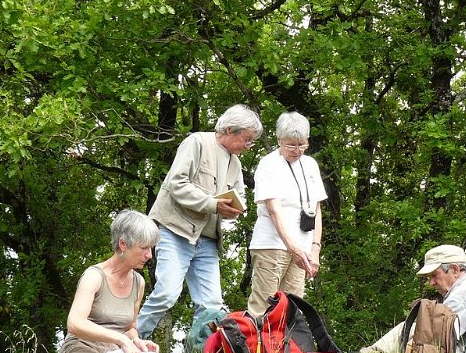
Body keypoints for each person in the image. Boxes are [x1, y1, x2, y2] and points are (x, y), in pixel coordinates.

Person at [137, 104, 263, 338]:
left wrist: (233, 210)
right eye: (246, 140)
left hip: (206, 240)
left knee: (212, 305)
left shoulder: (235, 164)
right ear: (228, 130)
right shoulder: (197, 142)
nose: (248, 146)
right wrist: (213, 204)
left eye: (251, 141)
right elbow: (177, 183)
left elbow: (239, 197)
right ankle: (130, 342)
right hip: (175, 231)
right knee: (166, 293)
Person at [58, 210, 160, 353]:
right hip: (82, 348)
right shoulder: (94, 276)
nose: (149, 255)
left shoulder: (138, 282)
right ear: (123, 244)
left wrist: (137, 342)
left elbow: (129, 328)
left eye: (150, 248)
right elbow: (75, 323)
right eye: (143, 248)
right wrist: (122, 340)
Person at [247, 112, 327, 317]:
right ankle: (257, 348)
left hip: (303, 248)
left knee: (293, 308)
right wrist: (293, 248)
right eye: (291, 145)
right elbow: (274, 210)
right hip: (272, 245)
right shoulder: (268, 164)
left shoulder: (310, 165)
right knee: (265, 306)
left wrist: (315, 249)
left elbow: (316, 209)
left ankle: (287, 350)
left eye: (302, 145)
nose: (297, 151)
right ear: (278, 140)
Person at [362, 244, 466, 353]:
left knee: (412, 331)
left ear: (455, 270)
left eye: (434, 275)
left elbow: (435, 344)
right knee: (408, 327)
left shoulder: (462, 296)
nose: (431, 283)